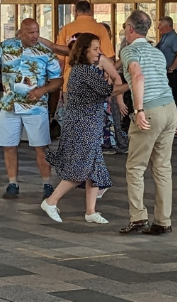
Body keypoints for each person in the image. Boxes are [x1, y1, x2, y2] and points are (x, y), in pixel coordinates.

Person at [42, 33, 128, 225]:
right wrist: (133, 83)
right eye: (95, 49)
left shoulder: (84, 70)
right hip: (83, 125)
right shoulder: (84, 71)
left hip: (89, 124)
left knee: (93, 169)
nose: (99, 53)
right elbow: (109, 91)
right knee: (80, 169)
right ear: (84, 50)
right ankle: (51, 201)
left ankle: (90, 211)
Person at [0, 18, 62, 200]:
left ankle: (47, 184)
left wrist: (42, 90)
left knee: (40, 147)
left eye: (37, 31)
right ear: (20, 33)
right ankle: (12, 183)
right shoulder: (6, 47)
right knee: (9, 145)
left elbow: (58, 80)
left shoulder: (45, 52)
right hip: (9, 105)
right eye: (31, 32)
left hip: (35, 107)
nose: (35, 35)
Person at [118, 10, 177, 235]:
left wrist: (139, 109)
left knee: (135, 167)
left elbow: (137, 76)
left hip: (149, 109)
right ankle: (163, 220)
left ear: (131, 29)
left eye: (125, 26)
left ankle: (138, 216)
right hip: (169, 108)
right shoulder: (157, 53)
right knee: (162, 167)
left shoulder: (129, 50)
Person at [42, 1, 122, 149]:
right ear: (91, 12)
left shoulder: (67, 29)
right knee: (95, 115)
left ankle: (76, 146)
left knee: (73, 116)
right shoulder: (100, 29)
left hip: (70, 81)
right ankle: (94, 145)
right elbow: (109, 57)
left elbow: (59, 59)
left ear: (75, 11)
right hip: (95, 81)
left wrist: (59, 79)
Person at [156, 16, 177, 110]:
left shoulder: (174, 38)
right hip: (165, 72)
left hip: (173, 73)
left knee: (174, 96)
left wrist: (171, 69)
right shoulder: (164, 37)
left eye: (160, 25)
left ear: (167, 26)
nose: (158, 27)